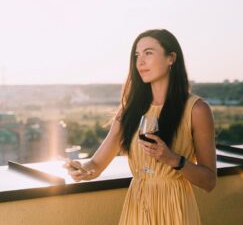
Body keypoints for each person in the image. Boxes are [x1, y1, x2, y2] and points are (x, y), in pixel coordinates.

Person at [64, 29, 217, 224]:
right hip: (136, 211)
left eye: (149, 53)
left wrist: (172, 159)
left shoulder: (197, 110)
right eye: (137, 55)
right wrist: (82, 170)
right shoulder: (130, 110)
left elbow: (209, 181)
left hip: (175, 211)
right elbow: (96, 165)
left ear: (171, 58)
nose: (140, 62)